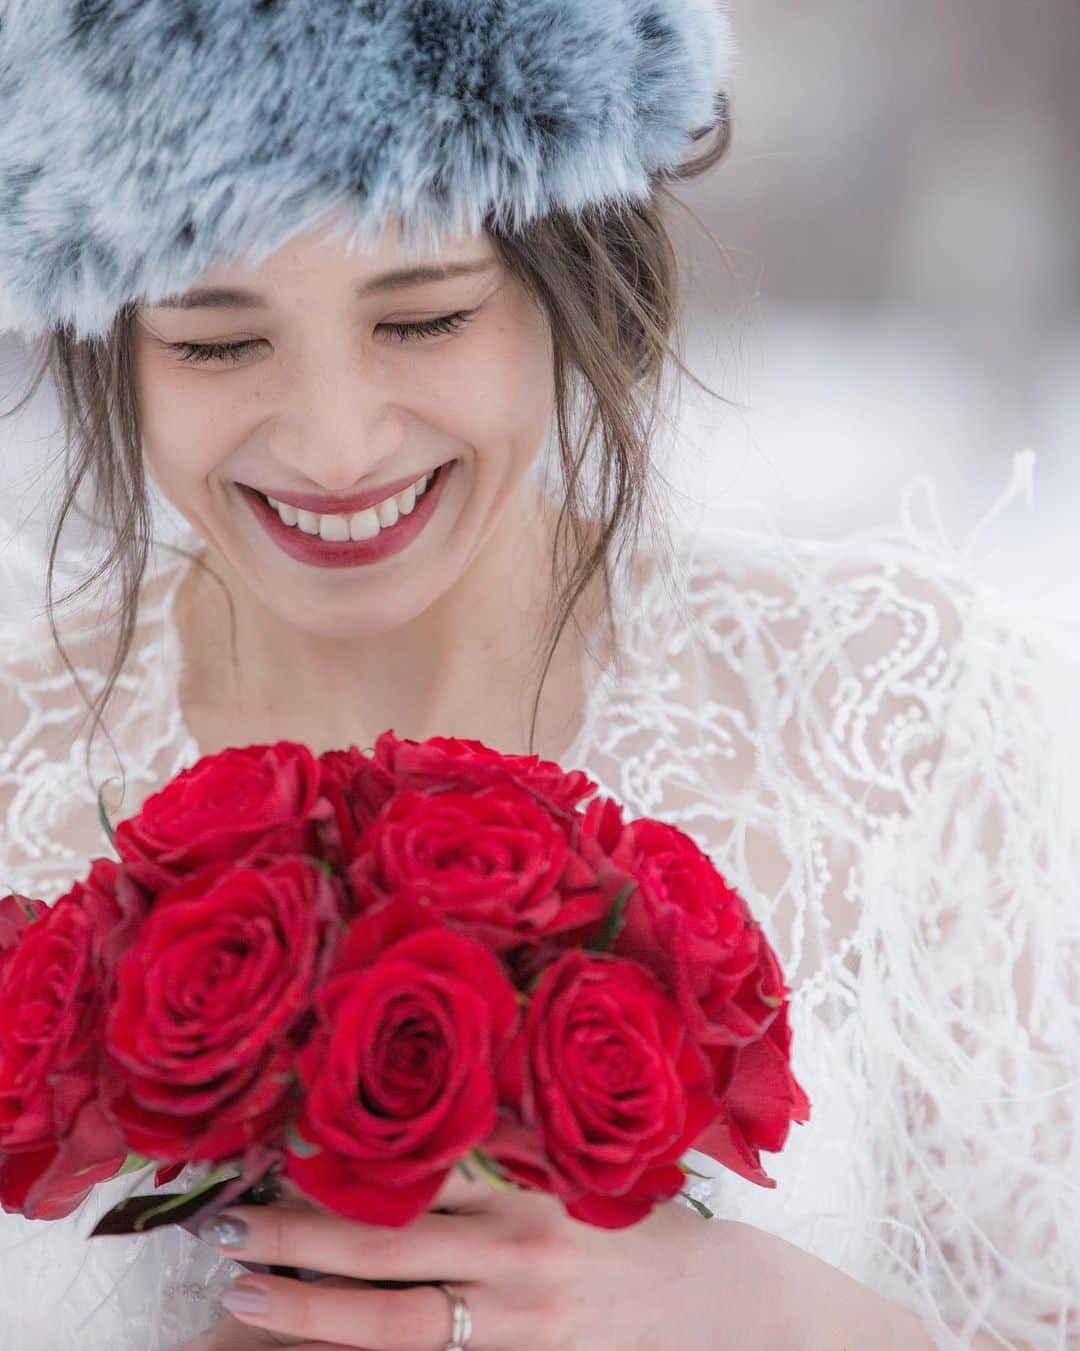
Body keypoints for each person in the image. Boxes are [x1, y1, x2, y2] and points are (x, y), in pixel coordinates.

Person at [0, 2, 1077, 1349]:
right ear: (109, 341)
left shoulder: (908, 721)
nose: (336, 444)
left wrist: (766, 1314)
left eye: (427, 317)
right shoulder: (14, 768)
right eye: (217, 341)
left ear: (578, 282)